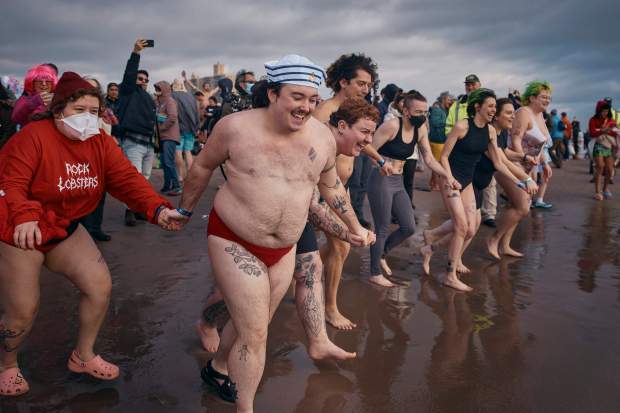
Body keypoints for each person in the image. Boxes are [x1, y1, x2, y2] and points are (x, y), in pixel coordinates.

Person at [167, 55, 371, 411]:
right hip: (234, 239)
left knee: (253, 323)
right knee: (255, 332)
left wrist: (354, 227)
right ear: (273, 93)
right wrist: (184, 210)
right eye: (297, 97)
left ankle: (217, 369)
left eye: (311, 99)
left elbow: (332, 187)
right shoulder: (234, 128)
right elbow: (201, 166)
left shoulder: (321, 137)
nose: (306, 107)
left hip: (285, 247)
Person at [0, 72, 177, 397]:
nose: (87, 118)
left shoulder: (100, 143)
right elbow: (11, 181)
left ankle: (82, 355)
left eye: (94, 111)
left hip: (65, 225)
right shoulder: (33, 137)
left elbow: (127, 179)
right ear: (58, 110)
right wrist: (24, 216)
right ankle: (6, 364)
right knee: (22, 309)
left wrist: (158, 209)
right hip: (19, 228)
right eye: (79, 109)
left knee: (99, 286)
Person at [421, 98, 537, 270]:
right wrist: (525, 180)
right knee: (467, 227)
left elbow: (504, 154)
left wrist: (524, 158)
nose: (513, 116)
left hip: (478, 184)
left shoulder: (499, 133)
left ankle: (436, 242)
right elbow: (502, 161)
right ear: (495, 116)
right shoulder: (484, 134)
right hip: (469, 182)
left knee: (467, 228)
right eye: (508, 113)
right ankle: (446, 256)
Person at [367, 90, 459, 287]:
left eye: (425, 112)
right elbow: (368, 148)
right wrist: (382, 163)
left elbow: (429, 159)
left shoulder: (421, 130)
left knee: (408, 226)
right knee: (382, 227)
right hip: (381, 179)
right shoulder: (392, 125)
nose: (423, 116)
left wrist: (447, 176)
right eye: (418, 112)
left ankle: (381, 253)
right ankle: (374, 272)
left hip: (398, 181)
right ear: (406, 111)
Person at [314, 53, 378, 328]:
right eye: (361, 84)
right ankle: (329, 308)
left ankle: (305, 271)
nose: (366, 90)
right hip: (322, 190)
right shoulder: (325, 113)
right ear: (343, 82)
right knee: (340, 246)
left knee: (340, 249)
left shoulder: (355, 114)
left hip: (343, 188)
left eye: (369, 85)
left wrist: (379, 159)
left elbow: (362, 138)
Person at [435, 88, 513, 291]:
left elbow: (498, 162)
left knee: (470, 228)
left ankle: (430, 247)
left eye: (495, 107)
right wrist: (449, 178)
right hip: (451, 179)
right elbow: (443, 157)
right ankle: (449, 275)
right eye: (490, 106)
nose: (493, 110)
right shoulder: (462, 126)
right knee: (461, 226)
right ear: (477, 106)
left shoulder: (489, 132)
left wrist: (521, 181)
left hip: (467, 182)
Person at [487, 81, 553, 255]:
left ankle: (505, 245)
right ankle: (494, 239)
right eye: (543, 97)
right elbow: (516, 139)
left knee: (517, 205)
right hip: (513, 163)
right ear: (532, 97)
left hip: (528, 164)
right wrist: (522, 165)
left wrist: (544, 164)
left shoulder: (541, 116)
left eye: (549, 97)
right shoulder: (524, 113)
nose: (547, 100)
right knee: (523, 206)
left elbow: (541, 145)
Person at [117, 39, 157, 226]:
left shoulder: (148, 98)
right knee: (134, 178)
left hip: (148, 143)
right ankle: (129, 211)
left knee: (145, 179)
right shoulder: (128, 91)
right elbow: (129, 73)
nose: (143, 82)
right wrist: (136, 52)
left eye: (146, 80)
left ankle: (139, 209)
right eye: (140, 79)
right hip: (133, 141)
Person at [154, 81, 182, 195]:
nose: (157, 90)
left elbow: (173, 117)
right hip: (163, 137)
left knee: (168, 161)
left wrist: (160, 129)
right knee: (164, 162)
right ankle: (167, 186)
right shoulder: (160, 102)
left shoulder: (170, 101)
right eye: (156, 88)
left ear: (165, 89)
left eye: (159, 88)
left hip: (169, 136)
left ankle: (176, 186)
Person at [171, 79, 200, 185]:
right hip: (191, 128)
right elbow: (196, 112)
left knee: (178, 152)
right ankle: (191, 176)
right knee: (188, 152)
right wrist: (197, 127)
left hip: (177, 128)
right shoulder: (190, 97)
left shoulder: (172, 95)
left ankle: (180, 175)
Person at [589, 100, 617, 200]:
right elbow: (592, 133)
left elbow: (615, 133)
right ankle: (597, 191)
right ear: (599, 110)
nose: (605, 113)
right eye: (603, 111)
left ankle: (605, 189)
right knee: (600, 166)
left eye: (606, 111)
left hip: (608, 146)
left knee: (610, 169)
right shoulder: (593, 120)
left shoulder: (611, 120)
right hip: (598, 145)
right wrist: (602, 131)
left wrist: (607, 131)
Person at [428, 91, 454, 190]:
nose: (450, 101)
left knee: (437, 162)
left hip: (442, 140)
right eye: (448, 99)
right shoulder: (437, 109)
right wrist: (448, 122)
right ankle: (434, 184)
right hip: (437, 140)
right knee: (437, 163)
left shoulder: (444, 109)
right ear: (443, 99)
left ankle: (432, 182)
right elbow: (434, 122)